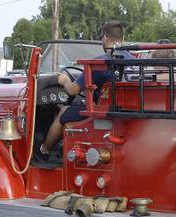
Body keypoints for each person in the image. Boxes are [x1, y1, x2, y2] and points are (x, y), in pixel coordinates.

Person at [40, 21, 135, 160]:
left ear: (105, 38)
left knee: (63, 112)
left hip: (105, 111)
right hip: (128, 110)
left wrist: (65, 81)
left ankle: (44, 151)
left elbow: (73, 91)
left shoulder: (100, 63)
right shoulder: (134, 60)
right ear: (122, 39)